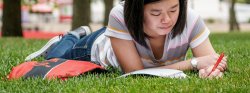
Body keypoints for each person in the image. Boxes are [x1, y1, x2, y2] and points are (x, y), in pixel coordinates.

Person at [25, 0, 227, 78]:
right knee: (54, 58)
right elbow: (135, 72)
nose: (167, 19)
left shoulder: (190, 19)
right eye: (156, 13)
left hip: (118, 39)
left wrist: (210, 70)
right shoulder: (120, 15)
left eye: (174, 9)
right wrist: (192, 63)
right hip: (93, 48)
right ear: (137, 12)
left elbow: (209, 61)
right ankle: (70, 37)